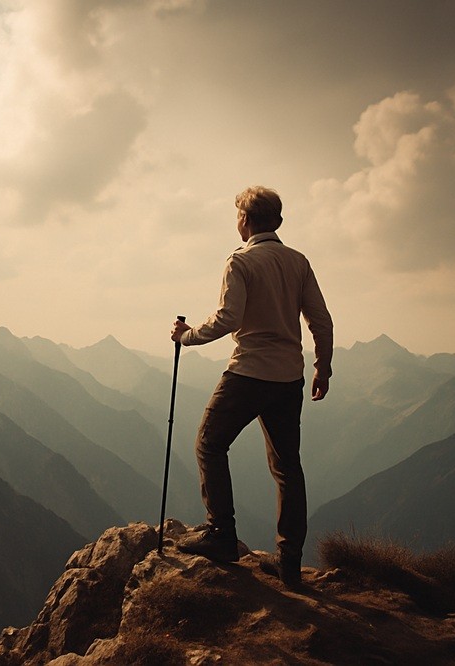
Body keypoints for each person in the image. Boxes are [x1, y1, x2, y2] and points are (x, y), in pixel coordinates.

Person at [171, 185, 333, 588]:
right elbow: (321, 320)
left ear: (243, 220)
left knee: (209, 443)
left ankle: (221, 535)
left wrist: (187, 336)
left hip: (248, 373)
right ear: (276, 221)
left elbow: (228, 318)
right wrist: (322, 367)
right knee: (287, 467)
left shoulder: (240, 262)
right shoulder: (298, 262)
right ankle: (290, 564)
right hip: (289, 377)